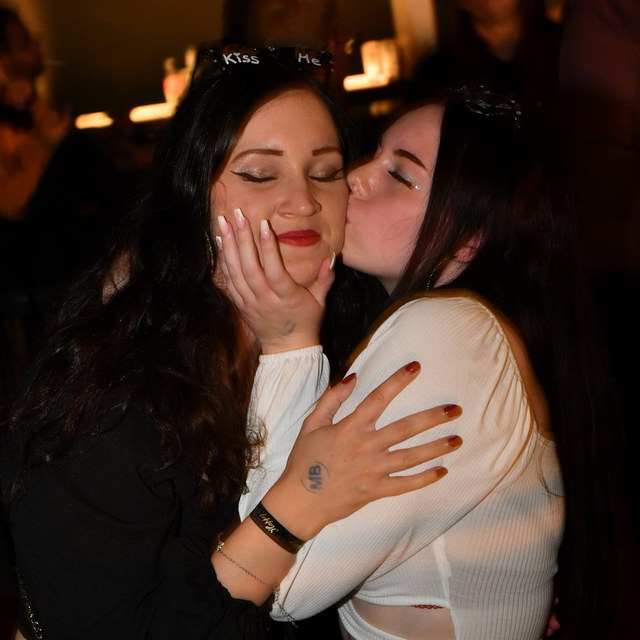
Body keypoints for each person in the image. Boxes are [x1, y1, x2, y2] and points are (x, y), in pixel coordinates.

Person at [0, 49, 463, 640]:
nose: (304, 201)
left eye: (325, 171)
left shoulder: (360, 331)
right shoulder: (112, 395)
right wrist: (297, 503)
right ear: (193, 195)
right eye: (260, 174)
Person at [217, 90, 617, 639]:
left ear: (470, 240)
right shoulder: (464, 328)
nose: (356, 177)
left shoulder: (450, 332)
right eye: (373, 154)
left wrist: (288, 343)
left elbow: (282, 588)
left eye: (399, 176)